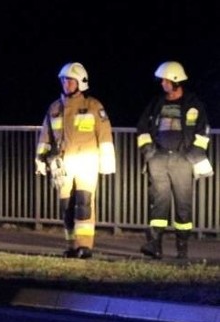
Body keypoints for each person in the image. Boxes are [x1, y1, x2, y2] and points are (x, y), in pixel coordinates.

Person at [35, 62, 117, 259]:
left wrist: (107, 162)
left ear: (80, 83)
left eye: (70, 81)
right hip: (63, 164)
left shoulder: (93, 106)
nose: (66, 84)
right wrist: (40, 160)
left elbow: (105, 135)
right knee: (66, 207)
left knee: (84, 204)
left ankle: (85, 246)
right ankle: (71, 245)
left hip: (87, 162)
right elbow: (45, 137)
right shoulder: (55, 107)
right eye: (64, 80)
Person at [136, 61, 213, 260]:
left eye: (166, 80)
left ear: (176, 81)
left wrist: (190, 155)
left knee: (183, 205)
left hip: (183, 161)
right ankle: (155, 246)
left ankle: (182, 250)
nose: (162, 83)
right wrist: (149, 151)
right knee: (158, 202)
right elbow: (142, 128)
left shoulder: (193, 104)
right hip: (158, 159)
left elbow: (203, 133)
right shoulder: (156, 103)